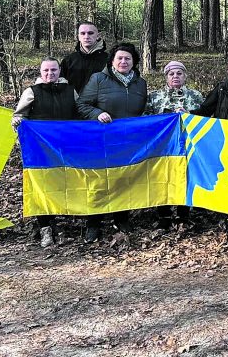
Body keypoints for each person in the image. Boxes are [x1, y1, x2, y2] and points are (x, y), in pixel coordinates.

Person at [76, 43, 148, 242]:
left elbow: (143, 111)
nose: (124, 62)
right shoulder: (98, 79)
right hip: (101, 139)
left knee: (123, 179)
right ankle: (94, 222)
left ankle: (121, 218)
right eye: (120, 58)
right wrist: (97, 113)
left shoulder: (140, 83)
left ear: (134, 62)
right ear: (112, 61)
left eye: (128, 59)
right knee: (98, 181)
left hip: (127, 141)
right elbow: (82, 104)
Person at [11, 57, 79, 247]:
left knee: (64, 185)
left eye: (54, 70)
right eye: (46, 71)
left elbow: (80, 114)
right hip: (40, 151)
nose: (50, 74)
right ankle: (45, 229)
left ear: (59, 71)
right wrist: (16, 122)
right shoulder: (31, 92)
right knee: (42, 187)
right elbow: (18, 116)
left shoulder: (70, 91)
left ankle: (62, 226)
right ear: (41, 73)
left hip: (65, 148)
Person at [143, 61, 205, 229]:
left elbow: (205, 119)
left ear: (185, 76)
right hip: (163, 147)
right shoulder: (155, 96)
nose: (175, 76)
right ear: (166, 77)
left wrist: (189, 116)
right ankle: (164, 215)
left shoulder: (196, 96)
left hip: (187, 146)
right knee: (163, 178)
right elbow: (146, 118)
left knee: (185, 177)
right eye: (172, 74)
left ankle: (183, 215)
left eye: (179, 73)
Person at [60, 21, 108, 94]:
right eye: (82, 33)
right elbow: (60, 85)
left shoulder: (109, 60)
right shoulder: (68, 61)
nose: (86, 37)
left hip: (100, 104)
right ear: (78, 36)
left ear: (97, 36)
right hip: (73, 103)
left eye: (90, 33)